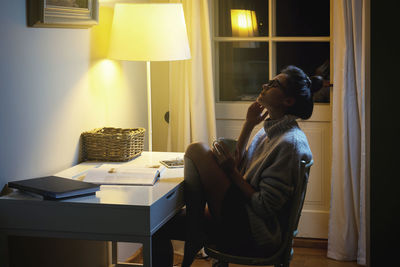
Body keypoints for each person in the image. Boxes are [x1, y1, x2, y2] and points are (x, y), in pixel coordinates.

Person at [152, 65, 323, 267]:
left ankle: (195, 229)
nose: (264, 85)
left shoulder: (289, 144)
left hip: (254, 233)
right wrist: (249, 124)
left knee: (197, 150)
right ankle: (195, 227)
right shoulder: (269, 132)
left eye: (273, 84)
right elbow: (241, 167)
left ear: (288, 101)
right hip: (242, 215)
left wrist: (231, 173)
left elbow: (264, 207)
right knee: (156, 225)